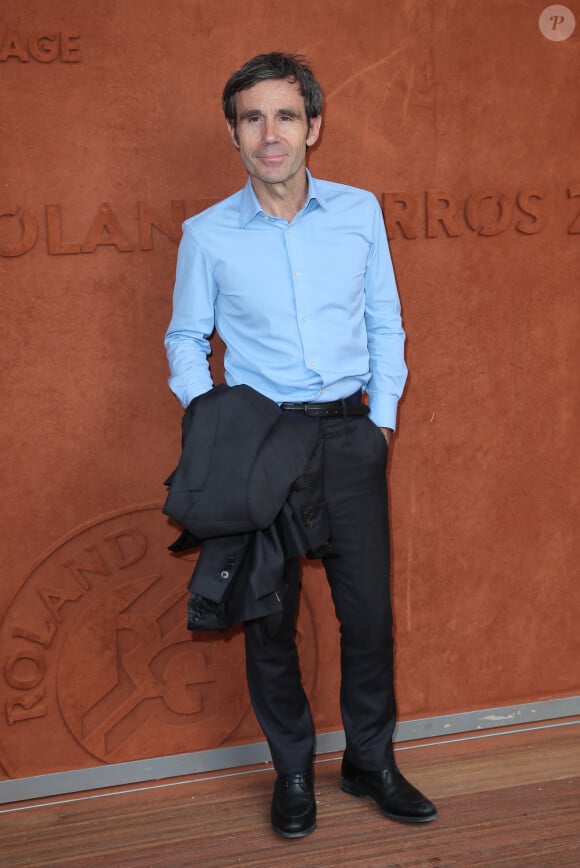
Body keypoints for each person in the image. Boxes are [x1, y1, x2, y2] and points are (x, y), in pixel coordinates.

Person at [164, 52, 437, 839]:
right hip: (263, 447)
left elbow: (386, 320)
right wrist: (216, 420)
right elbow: (185, 338)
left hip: (352, 436)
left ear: (314, 125)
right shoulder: (206, 235)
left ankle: (370, 761)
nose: (271, 134)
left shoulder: (358, 212)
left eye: (286, 116)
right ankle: (292, 772)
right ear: (234, 133)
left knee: (369, 618)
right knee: (270, 621)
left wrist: (381, 421)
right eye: (254, 118)